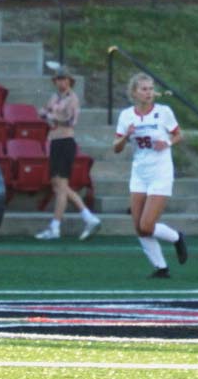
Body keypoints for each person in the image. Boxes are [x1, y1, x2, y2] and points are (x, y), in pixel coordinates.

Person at [113, 73, 188, 278]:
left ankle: (176, 237)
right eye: (144, 89)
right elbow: (116, 147)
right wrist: (126, 136)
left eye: (150, 88)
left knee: (147, 225)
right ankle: (161, 268)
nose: (148, 93)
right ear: (134, 93)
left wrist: (169, 143)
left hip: (160, 172)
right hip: (139, 173)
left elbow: (178, 134)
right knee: (139, 228)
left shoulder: (163, 112)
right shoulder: (127, 115)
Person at [34, 66, 102, 241]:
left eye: (64, 79)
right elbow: (45, 110)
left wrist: (52, 117)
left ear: (69, 81)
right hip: (55, 141)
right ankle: (88, 218)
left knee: (61, 186)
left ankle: (56, 226)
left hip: (65, 142)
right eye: (59, 79)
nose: (61, 82)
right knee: (57, 185)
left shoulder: (72, 99)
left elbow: (71, 121)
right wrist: (45, 114)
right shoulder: (55, 97)